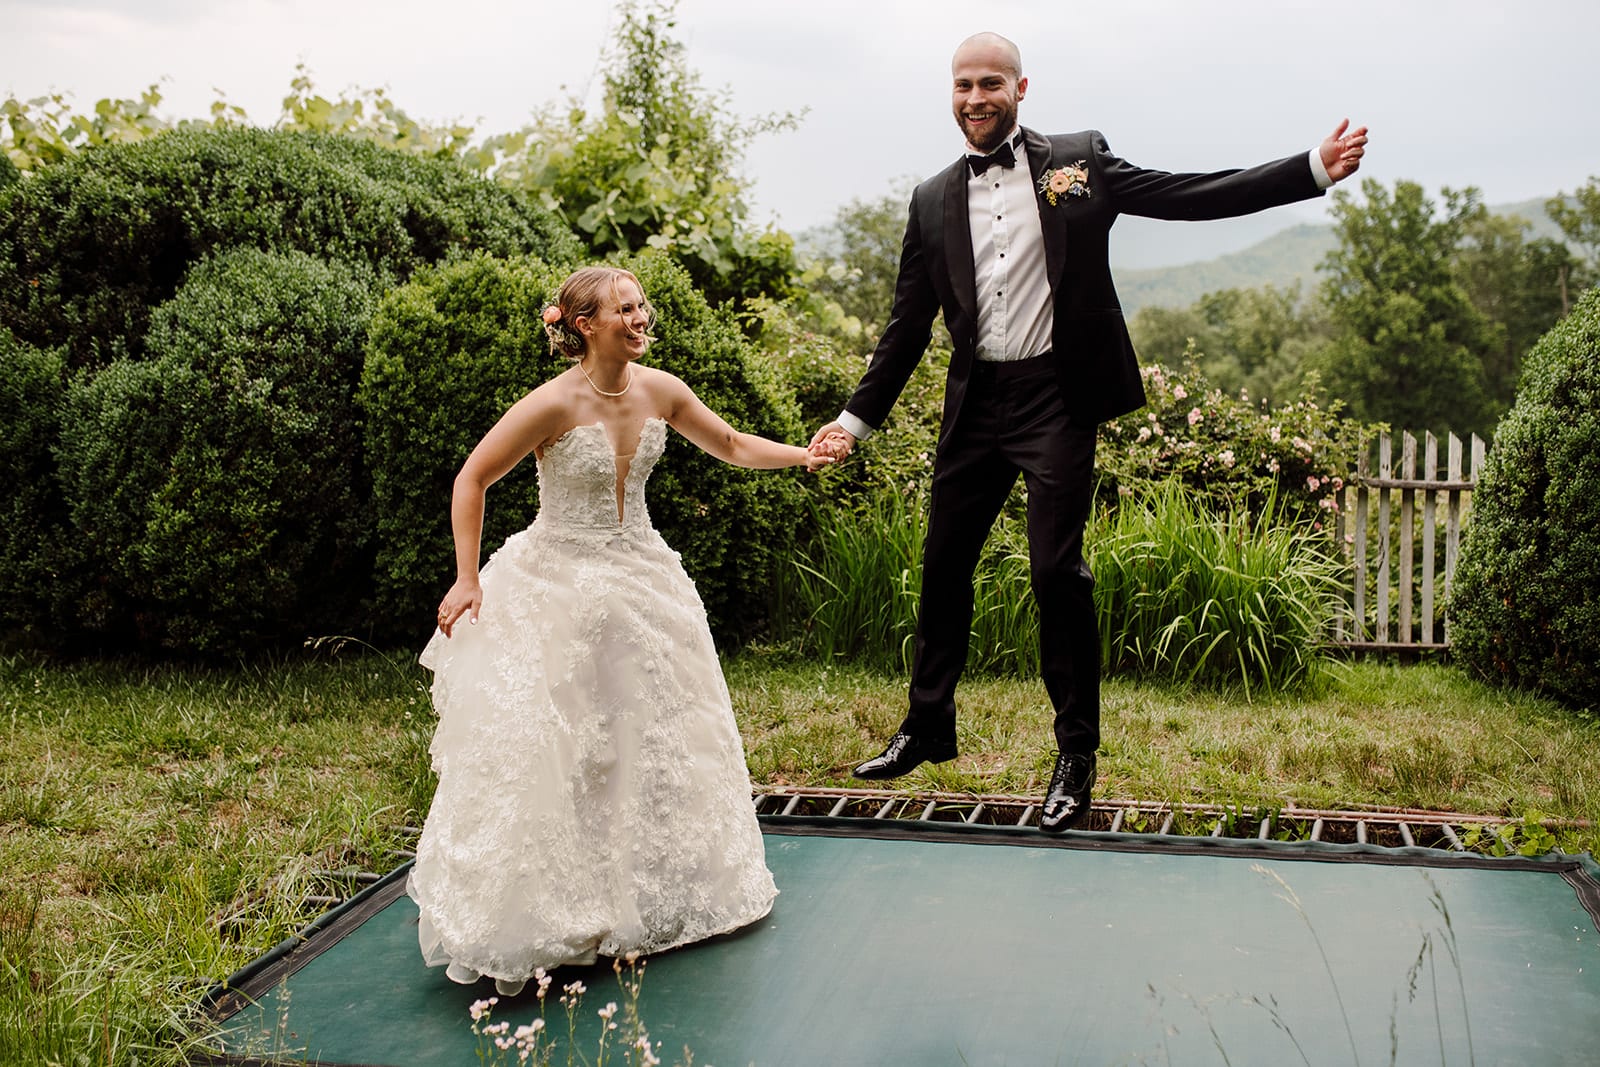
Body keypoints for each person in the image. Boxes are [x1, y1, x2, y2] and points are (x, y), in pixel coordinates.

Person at [809, 32, 1368, 832]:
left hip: (1055, 397)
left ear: (1021, 87)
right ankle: (927, 723)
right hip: (976, 404)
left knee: (1054, 573)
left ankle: (1075, 756)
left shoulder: (1079, 162)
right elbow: (906, 327)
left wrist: (1308, 168)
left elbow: (1189, 193)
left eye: (990, 82)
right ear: (952, 92)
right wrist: (853, 421)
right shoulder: (932, 198)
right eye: (963, 84)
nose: (976, 97)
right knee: (941, 563)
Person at [408, 265, 834, 994]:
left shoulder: (661, 388)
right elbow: (471, 479)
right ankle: (563, 905)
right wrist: (468, 576)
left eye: (641, 307)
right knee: (566, 743)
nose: (640, 319)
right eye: (624, 310)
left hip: (643, 578)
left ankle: (657, 896)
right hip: (558, 581)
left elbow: (729, 443)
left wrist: (805, 454)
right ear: (583, 324)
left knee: (654, 734)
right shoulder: (551, 404)